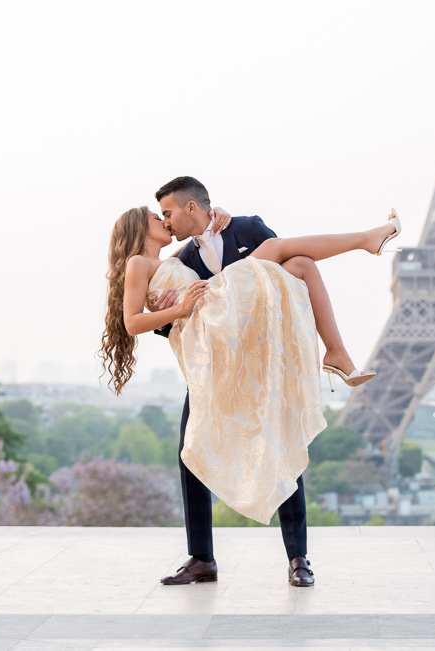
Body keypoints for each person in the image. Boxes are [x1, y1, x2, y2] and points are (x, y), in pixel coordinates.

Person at [99, 177, 399, 588]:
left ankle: (298, 558)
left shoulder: (241, 228)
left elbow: (275, 286)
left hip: (253, 351)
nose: (164, 221)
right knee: (191, 454)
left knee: (296, 264)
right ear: (139, 229)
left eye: (166, 212)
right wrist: (175, 307)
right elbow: (147, 320)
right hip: (212, 351)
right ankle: (201, 557)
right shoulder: (177, 259)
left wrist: (210, 235)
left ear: (192, 208)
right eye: (157, 217)